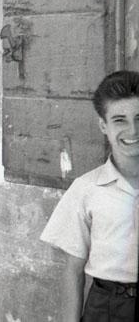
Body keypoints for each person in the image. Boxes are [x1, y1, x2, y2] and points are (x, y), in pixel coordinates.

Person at [40, 70, 139, 322]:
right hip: (107, 308)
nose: (133, 130)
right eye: (120, 120)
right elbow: (73, 271)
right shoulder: (86, 189)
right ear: (103, 126)